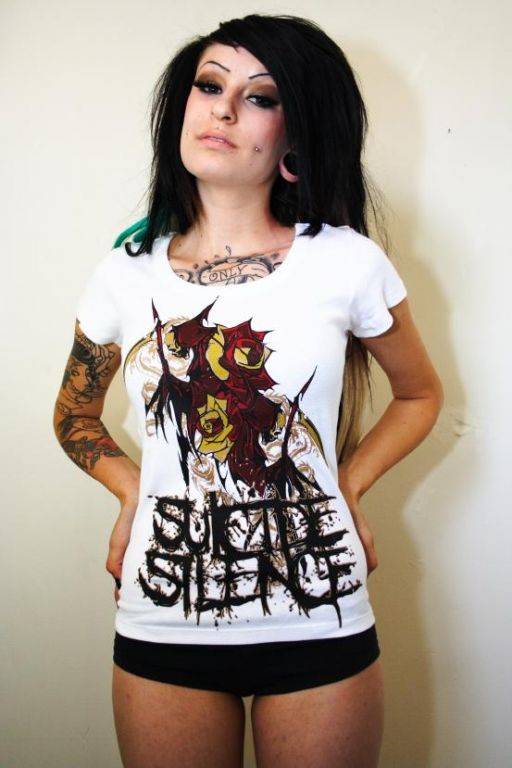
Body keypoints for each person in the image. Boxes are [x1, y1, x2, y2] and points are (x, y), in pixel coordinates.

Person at [53, 13, 443, 768]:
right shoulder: (123, 273)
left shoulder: (347, 263)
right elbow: (73, 414)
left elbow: (419, 395)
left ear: (297, 135)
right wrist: (132, 490)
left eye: (260, 97)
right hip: (164, 613)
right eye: (210, 86)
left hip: (318, 615)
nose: (224, 110)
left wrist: (347, 484)